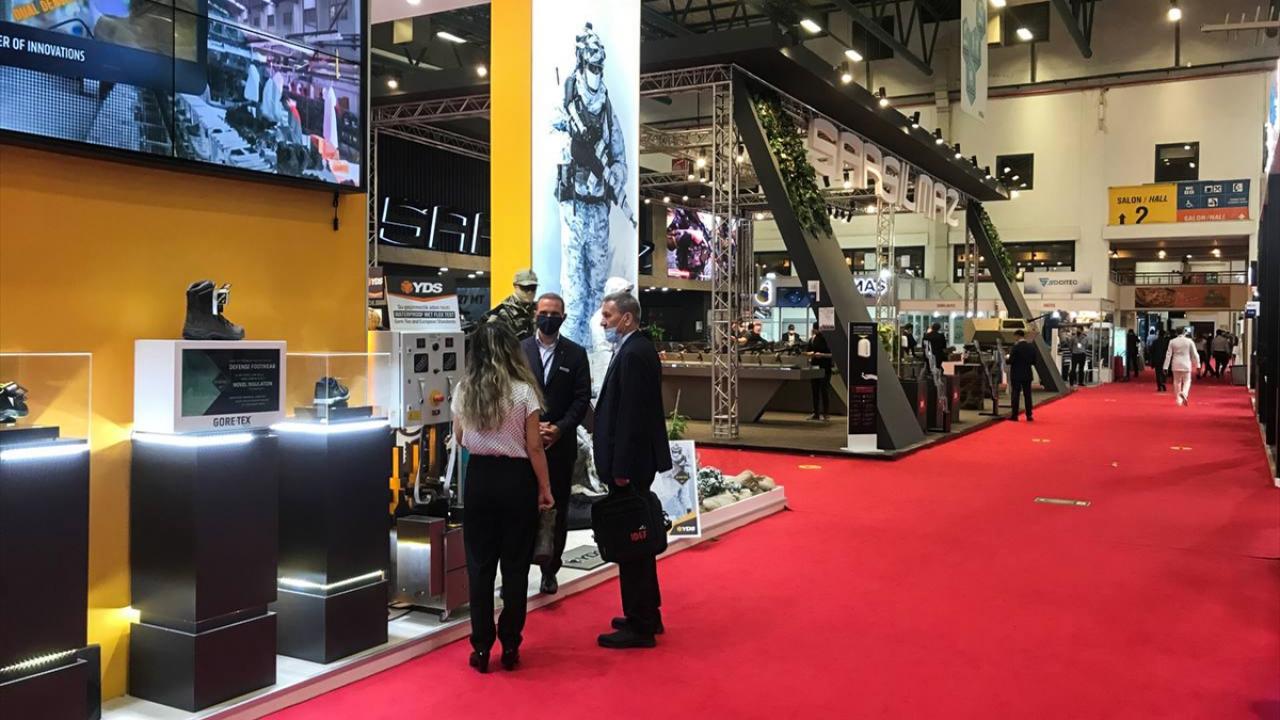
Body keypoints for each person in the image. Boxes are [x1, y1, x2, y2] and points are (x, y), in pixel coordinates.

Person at [451, 324, 555, 673]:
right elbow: (534, 446)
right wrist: (545, 487)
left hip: (479, 478)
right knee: (515, 565)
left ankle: (481, 647)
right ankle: (511, 643)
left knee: (480, 566)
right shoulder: (524, 392)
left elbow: (460, 437)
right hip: (516, 481)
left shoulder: (464, 389)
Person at [593, 291, 671, 649]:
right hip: (632, 462)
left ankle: (641, 624)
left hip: (631, 465)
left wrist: (621, 466)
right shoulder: (632, 349)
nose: (602, 322)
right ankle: (646, 614)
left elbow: (632, 417)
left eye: (608, 315)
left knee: (633, 542)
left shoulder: (635, 353)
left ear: (626, 317)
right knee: (636, 542)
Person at [552, 23, 636, 346]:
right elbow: (551, 137)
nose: (595, 74)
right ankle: (572, 354)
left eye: (600, 68)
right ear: (581, 62)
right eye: (591, 66)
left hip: (599, 209)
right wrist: (572, 146)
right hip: (573, 206)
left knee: (599, 290)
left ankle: (595, 353)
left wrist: (614, 173)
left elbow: (620, 157)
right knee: (573, 290)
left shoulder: (607, 109)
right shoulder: (566, 98)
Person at [521, 293, 591, 595]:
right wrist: (532, 427)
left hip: (560, 446)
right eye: (544, 312)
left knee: (557, 509)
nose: (548, 318)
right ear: (535, 314)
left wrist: (559, 428)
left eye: (554, 314)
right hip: (523, 445)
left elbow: (582, 399)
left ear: (563, 317)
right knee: (522, 509)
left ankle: (550, 570)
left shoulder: (575, 354)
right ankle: (517, 571)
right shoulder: (520, 350)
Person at [486, 269, 539, 341]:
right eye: (525, 288)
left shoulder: (539, 309)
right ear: (515, 286)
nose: (530, 292)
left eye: (533, 288)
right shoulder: (500, 312)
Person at [1164, 328, 1201, 406]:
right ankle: (1184, 393)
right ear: (1184, 332)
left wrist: (1165, 367)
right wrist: (1198, 365)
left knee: (1177, 382)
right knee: (1187, 381)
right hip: (1186, 364)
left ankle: (1179, 400)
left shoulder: (1172, 341)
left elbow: (1168, 354)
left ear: (1176, 333)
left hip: (1175, 364)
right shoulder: (1189, 341)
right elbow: (1195, 354)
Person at [1007, 329, 1036, 421]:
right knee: (1028, 395)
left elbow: (1010, 361)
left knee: (1015, 394)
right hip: (1027, 373)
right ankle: (1029, 415)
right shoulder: (1031, 347)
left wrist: (1006, 359)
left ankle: (1015, 415)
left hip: (1016, 374)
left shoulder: (1015, 347)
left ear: (1017, 336)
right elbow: (1034, 361)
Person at [806, 322, 833, 421]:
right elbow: (808, 351)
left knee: (824, 390)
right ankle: (816, 413)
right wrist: (810, 354)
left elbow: (832, 354)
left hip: (825, 368)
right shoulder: (812, 339)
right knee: (815, 391)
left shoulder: (828, 339)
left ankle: (826, 413)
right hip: (814, 368)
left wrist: (821, 355)